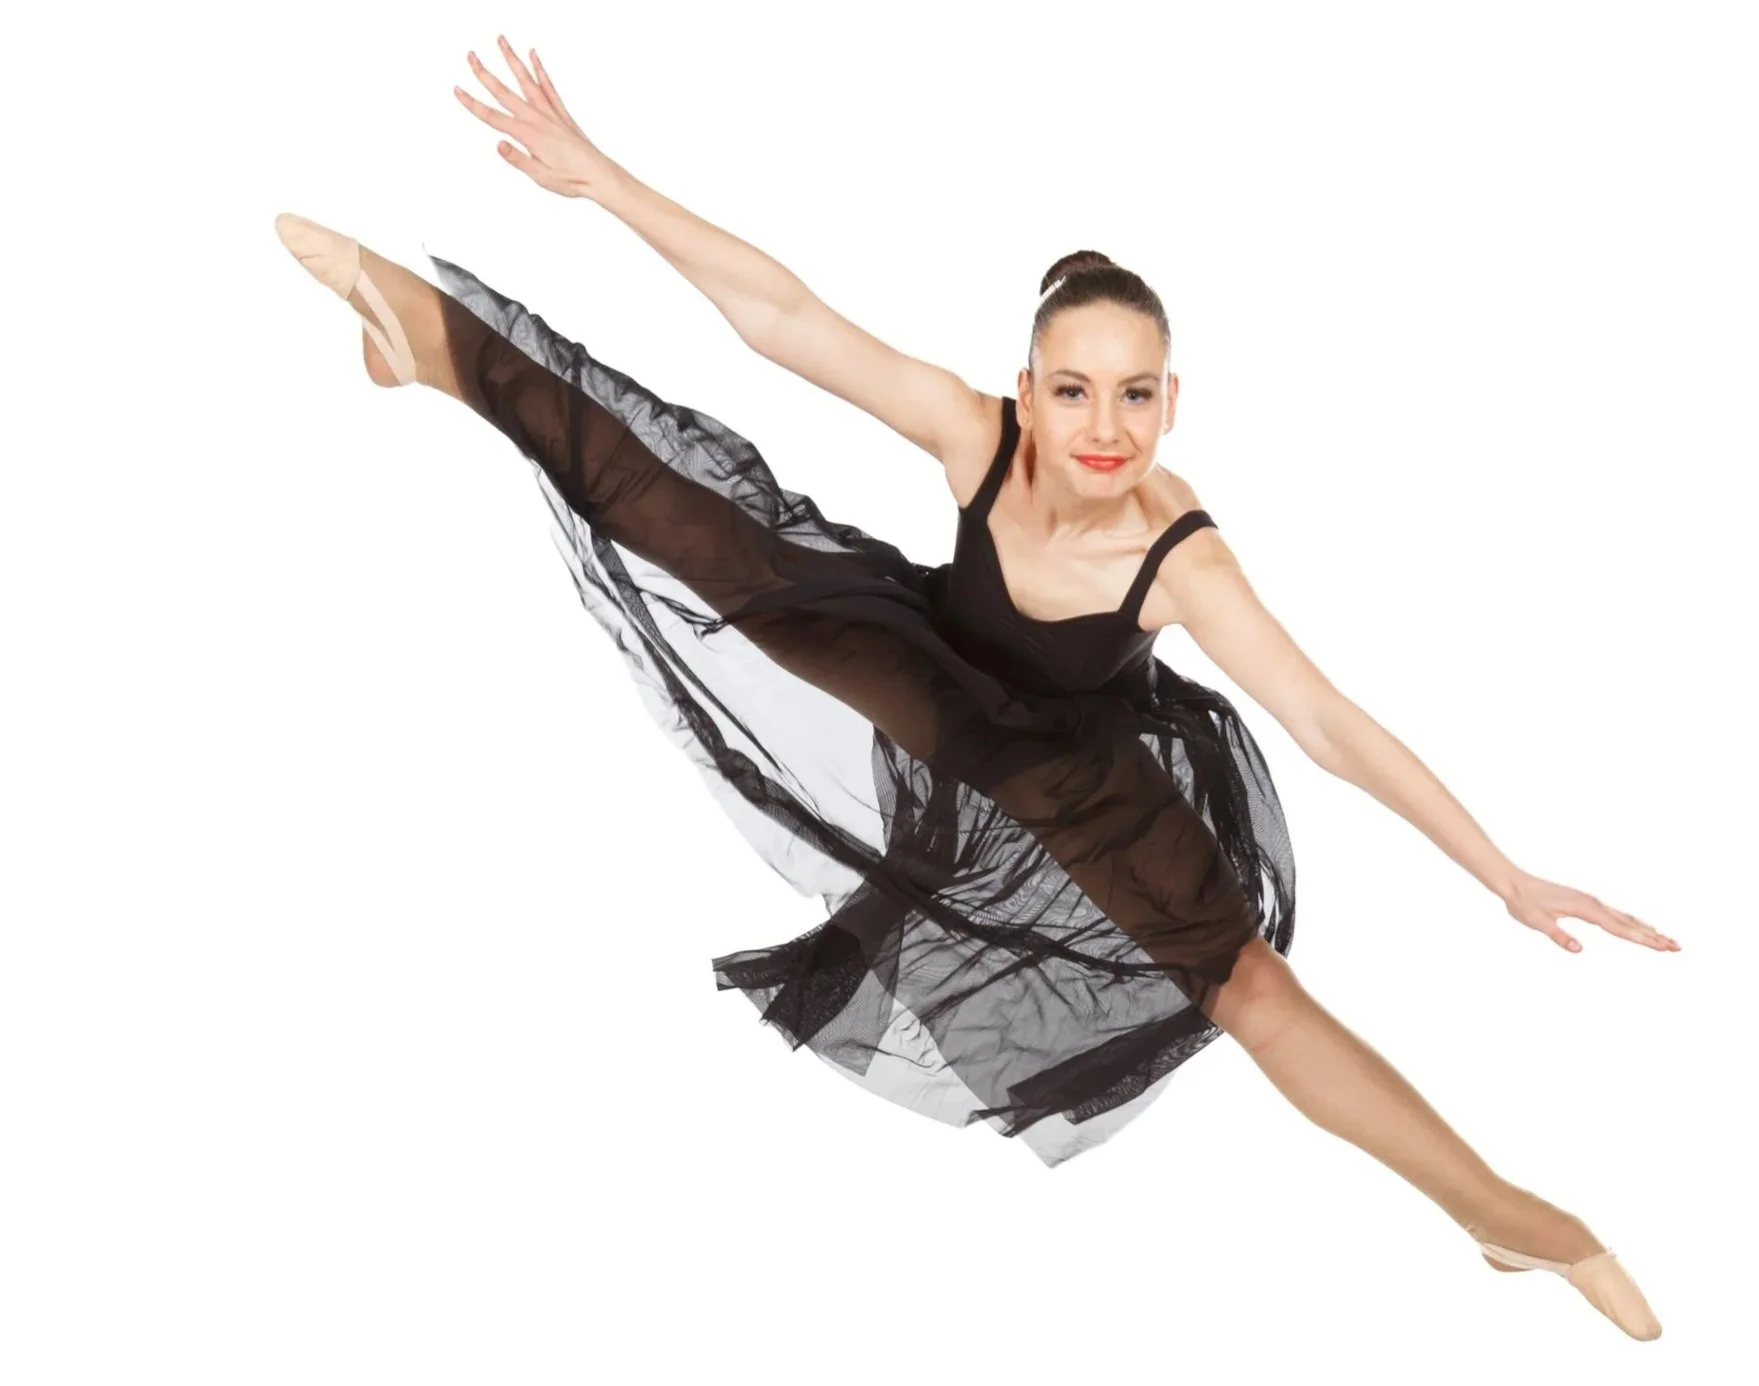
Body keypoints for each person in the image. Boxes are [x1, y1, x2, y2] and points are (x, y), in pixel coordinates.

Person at [275, 36, 1676, 1340]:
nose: (1104, 429)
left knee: (1249, 991)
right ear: (1030, 387)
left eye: (1136, 396)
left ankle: (1511, 1217)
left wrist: (1502, 871)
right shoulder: (975, 434)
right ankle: (438, 342)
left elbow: (1326, 722)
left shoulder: (1177, 552)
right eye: (1074, 392)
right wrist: (606, 181)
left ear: (1173, 404)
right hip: (928, 664)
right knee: (715, 520)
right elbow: (785, 318)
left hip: (1080, 771)